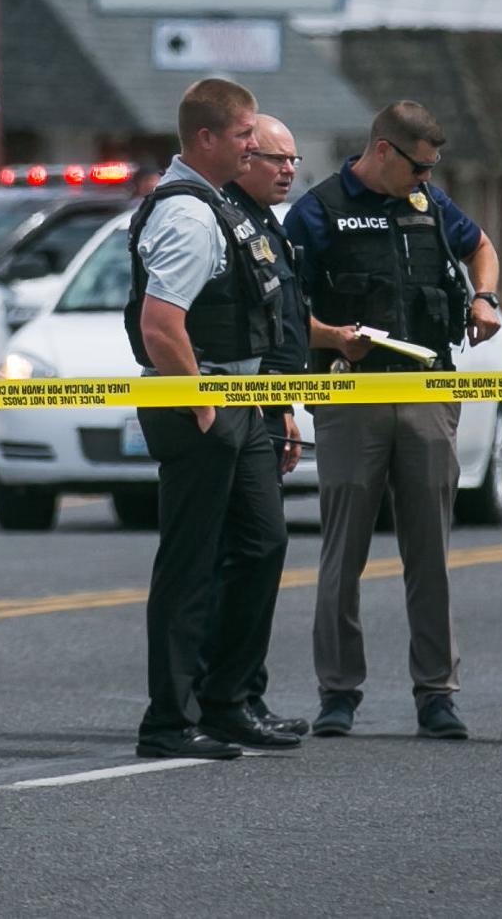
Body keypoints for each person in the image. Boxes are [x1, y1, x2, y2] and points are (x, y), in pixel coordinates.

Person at [284, 101, 502, 740]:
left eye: (433, 167)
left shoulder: (429, 204)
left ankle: (437, 694)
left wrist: (484, 296)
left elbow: (480, 244)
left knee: (429, 552)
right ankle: (339, 692)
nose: (427, 178)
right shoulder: (317, 211)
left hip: (429, 390)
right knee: (342, 552)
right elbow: (286, 307)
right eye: (419, 166)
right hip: (352, 393)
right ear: (383, 150)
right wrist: (331, 336)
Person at [124, 79, 302, 759]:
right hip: (203, 401)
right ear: (205, 139)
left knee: (261, 545)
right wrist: (202, 405)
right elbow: (161, 326)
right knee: (190, 562)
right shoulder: (190, 216)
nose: (253, 147)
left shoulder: (220, 205)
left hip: (240, 399)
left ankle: (228, 702)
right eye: (241, 137)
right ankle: (168, 721)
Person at [223, 112, 312, 739]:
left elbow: (277, 322)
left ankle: (243, 695)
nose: (287, 171)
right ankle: (224, 697)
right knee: (250, 548)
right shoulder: (223, 219)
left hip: (263, 400)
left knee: (260, 550)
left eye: (292, 161)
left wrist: (280, 400)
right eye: (276, 160)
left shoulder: (264, 224)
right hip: (225, 403)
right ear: (244, 157)